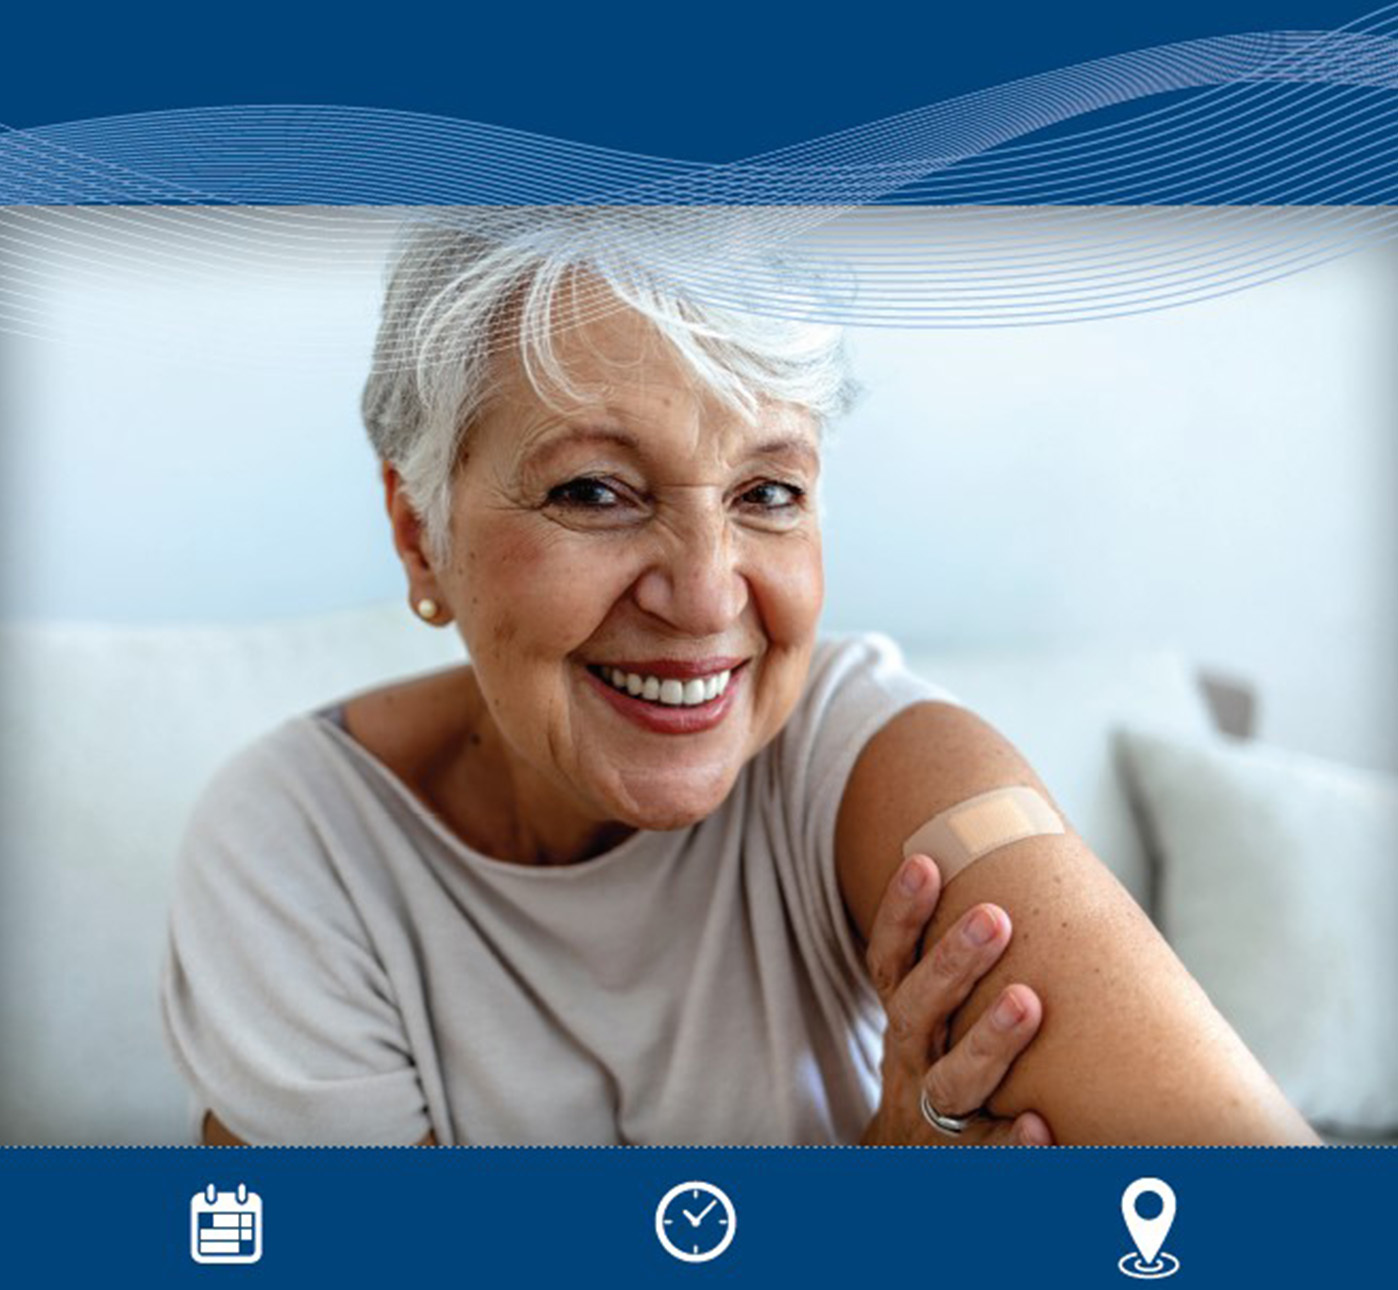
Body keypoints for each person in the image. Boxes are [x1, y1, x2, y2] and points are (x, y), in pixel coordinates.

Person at [160, 208, 1318, 1147]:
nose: (710, 598)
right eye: (595, 491)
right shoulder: (294, 850)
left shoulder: (880, 762)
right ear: (422, 535)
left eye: (768, 493)